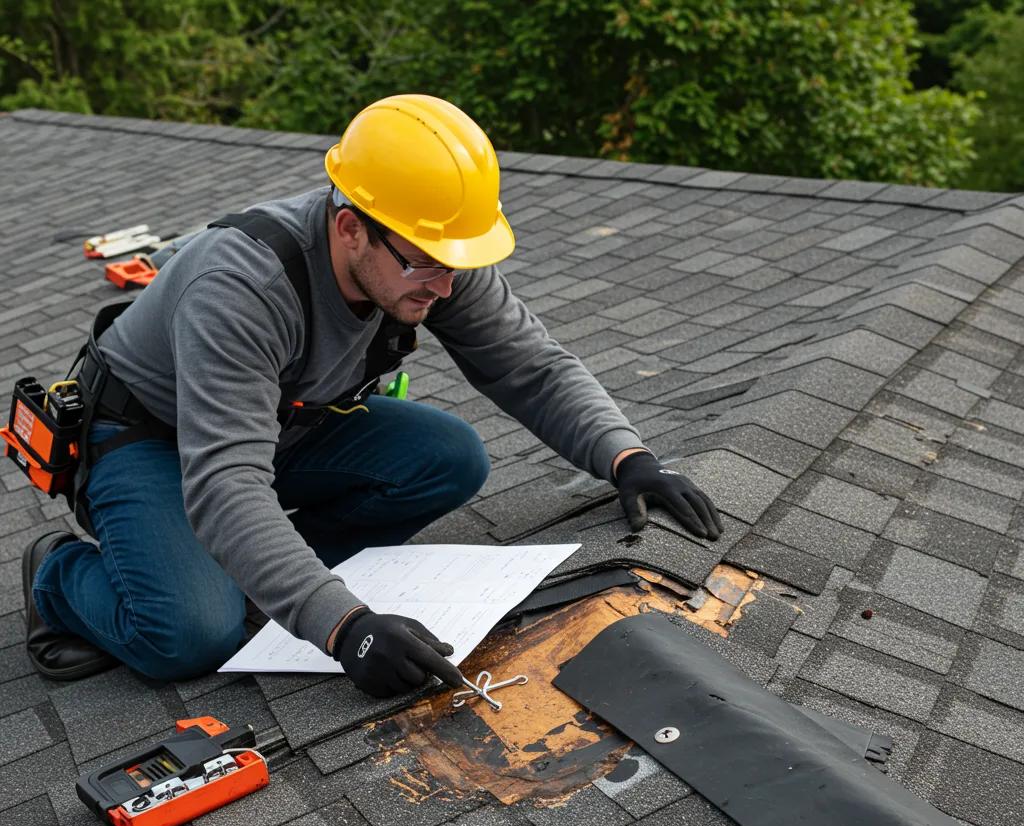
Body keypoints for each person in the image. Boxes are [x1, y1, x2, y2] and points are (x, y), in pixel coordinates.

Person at [24, 94, 722, 696]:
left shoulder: (428, 248)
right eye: (424, 263)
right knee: (188, 635)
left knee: (448, 457)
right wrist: (345, 627)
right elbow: (228, 482)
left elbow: (529, 365)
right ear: (350, 224)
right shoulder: (241, 287)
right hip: (153, 440)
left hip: (281, 425)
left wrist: (628, 458)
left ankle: (253, 572)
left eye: (455, 264)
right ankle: (57, 576)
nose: (445, 286)